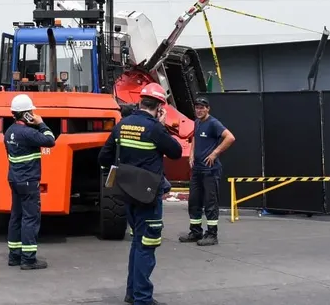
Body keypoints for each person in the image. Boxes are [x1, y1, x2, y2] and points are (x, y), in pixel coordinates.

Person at [98, 83, 183, 305]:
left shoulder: (122, 125)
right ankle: (142, 299)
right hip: (148, 196)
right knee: (147, 245)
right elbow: (176, 152)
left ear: (140, 102)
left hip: (127, 193)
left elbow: (103, 158)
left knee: (137, 242)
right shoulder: (155, 128)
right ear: (160, 107)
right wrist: (161, 126)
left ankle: (132, 293)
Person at [4, 93, 55, 270]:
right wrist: (41, 123)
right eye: (31, 112)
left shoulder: (9, 132)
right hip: (28, 182)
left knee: (16, 217)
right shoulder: (28, 133)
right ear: (26, 114)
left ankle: (14, 256)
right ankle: (28, 259)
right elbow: (50, 140)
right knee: (30, 219)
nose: (33, 114)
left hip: (14, 180)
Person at [179, 96, 235, 246]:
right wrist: (191, 154)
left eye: (202, 108)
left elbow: (230, 137)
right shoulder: (197, 122)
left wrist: (215, 153)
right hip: (197, 169)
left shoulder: (213, 123)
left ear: (208, 109)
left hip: (210, 170)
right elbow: (195, 138)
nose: (199, 110)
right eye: (197, 108)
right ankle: (196, 232)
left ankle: (212, 234)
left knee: (210, 202)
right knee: (194, 201)